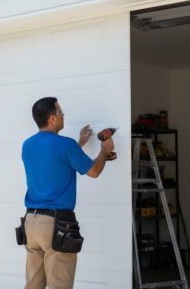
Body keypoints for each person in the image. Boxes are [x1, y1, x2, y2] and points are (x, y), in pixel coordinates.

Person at [21, 97, 116, 289]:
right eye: (61, 113)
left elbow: (56, 160)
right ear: (52, 118)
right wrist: (104, 151)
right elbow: (94, 171)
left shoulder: (28, 145)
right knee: (59, 286)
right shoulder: (66, 145)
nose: (63, 116)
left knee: (33, 285)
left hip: (31, 222)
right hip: (56, 224)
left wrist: (80, 143)